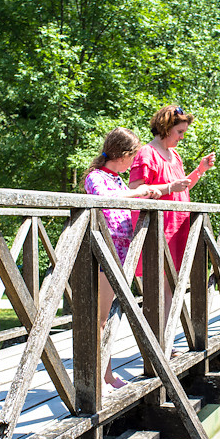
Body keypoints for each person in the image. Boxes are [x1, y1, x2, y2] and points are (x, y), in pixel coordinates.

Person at [127, 104, 216, 336]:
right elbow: (135, 190)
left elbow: (180, 189)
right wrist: (168, 187)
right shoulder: (146, 153)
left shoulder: (174, 155)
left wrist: (200, 170)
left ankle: (165, 341)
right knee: (157, 289)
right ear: (166, 128)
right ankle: (154, 344)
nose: (182, 137)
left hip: (178, 227)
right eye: (180, 131)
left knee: (172, 288)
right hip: (157, 230)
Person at [84, 127, 160, 388]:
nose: (134, 163)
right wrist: (137, 192)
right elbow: (103, 198)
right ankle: (101, 376)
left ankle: (104, 373)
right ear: (122, 154)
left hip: (121, 257)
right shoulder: (96, 177)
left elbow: (123, 198)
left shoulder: (116, 179)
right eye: (133, 157)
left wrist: (146, 193)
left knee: (111, 316)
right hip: (104, 255)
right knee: (102, 318)